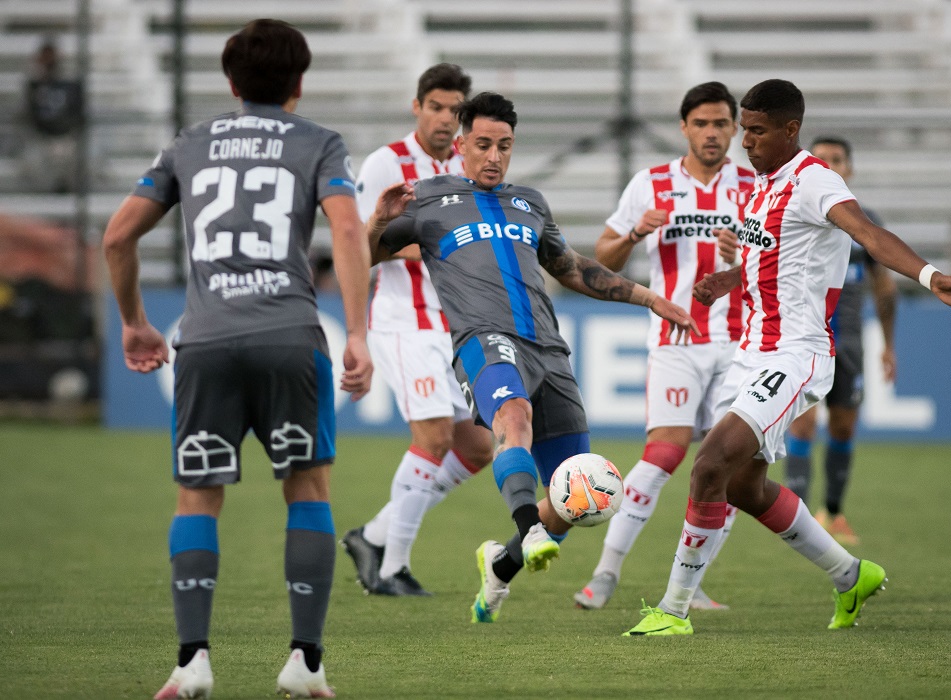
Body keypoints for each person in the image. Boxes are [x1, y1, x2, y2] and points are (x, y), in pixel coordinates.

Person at [625, 79, 951, 637]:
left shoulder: (814, 181)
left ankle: (673, 610)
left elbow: (868, 233)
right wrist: (727, 279)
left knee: (708, 465)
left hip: (795, 354)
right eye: (743, 129)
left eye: (755, 130)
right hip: (751, 352)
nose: (744, 141)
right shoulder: (760, 185)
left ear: (789, 129)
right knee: (741, 489)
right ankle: (851, 575)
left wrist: (929, 276)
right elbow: (767, 255)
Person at [103, 19, 372, 697]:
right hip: (289, 336)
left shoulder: (189, 144)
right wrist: (360, 335)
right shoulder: (319, 142)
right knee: (307, 490)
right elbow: (345, 227)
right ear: (298, 84)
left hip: (207, 341)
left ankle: (192, 661)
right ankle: (305, 663)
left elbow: (116, 237)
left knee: (197, 495)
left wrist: (135, 323)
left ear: (230, 82)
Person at [365, 92, 699, 624]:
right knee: (511, 417)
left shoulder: (530, 203)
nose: (494, 156)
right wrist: (378, 222)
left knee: (576, 495)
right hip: (483, 338)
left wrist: (650, 297)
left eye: (504, 146)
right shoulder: (428, 198)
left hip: (548, 348)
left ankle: (500, 565)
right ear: (460, 145)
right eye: (482, 145)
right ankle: (529, 526)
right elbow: (365, 256)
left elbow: (572, 269)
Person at [573, 82, 753, 612]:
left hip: (741, 346)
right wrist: (632, 233)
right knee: (664, 455)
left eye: (722, 123)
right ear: (684, 128)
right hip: (677, 340)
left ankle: (689, 586)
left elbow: (780, 263)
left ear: (734, 129)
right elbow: (604, 256)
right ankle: (605, 572)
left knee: (736, 471)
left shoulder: (753, 185)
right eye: (702, 123)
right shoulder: (650, 184)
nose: (713, 133)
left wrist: (742, 251)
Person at [340, 64, 494, 597]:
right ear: (417, 107)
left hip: (454, 325)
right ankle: (391, 569)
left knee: (477, 447)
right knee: (431, 438)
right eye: (437, 107)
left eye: (456, 110)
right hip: (404, 323)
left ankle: (374, 535)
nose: (446, 119)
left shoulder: (465, 165)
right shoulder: (387, 162)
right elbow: (362, 241)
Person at [778, 136, 897, 545]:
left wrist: (888, 345)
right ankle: (794, 515)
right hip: (805, 340)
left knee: (844, 428)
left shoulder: (866, 222)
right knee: (804, 422)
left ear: (849, 169)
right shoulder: (796, 212)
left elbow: (885, 290)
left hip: (848, 346)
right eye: (820, 158)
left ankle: (833, 511)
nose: (828, 165)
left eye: (837, 159)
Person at [22, 37, 83, 193]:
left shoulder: (70, 84)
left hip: (67, 137)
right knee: (33, 160)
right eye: (45, 56)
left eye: (52, 55)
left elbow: (78, 113)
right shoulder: (33, 85)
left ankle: (67, 191)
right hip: (41, 138)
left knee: (80, 156)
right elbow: (29, 115)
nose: (49, 60)